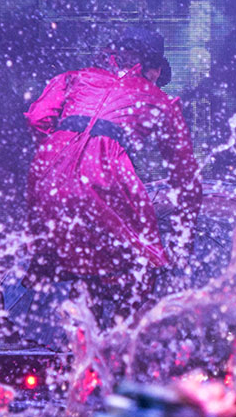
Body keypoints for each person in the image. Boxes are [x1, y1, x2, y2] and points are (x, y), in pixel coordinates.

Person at [21, 26, 201, 326]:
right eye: (157, 72)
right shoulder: (160, 101)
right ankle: (116, 346)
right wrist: (185, 234)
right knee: (142, 264)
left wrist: (63, 154)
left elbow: (38, 118)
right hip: (106, 174)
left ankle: (79, 347)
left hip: (47, 171)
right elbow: (185, 175)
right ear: (151, 68)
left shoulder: (72, 78)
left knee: (82, 263)